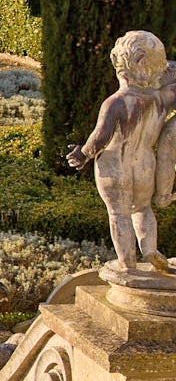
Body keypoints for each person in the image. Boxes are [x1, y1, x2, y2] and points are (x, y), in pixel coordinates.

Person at [68, 29, 175, 274]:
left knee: (119, 214)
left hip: (115, 167)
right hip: (146, 165)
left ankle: (127, 264)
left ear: (127, 65)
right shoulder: (161, 99)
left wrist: (82, 154)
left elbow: (100, 136)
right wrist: (163, 69)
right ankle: (149, 248)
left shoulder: (116, 102)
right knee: (143, 209)